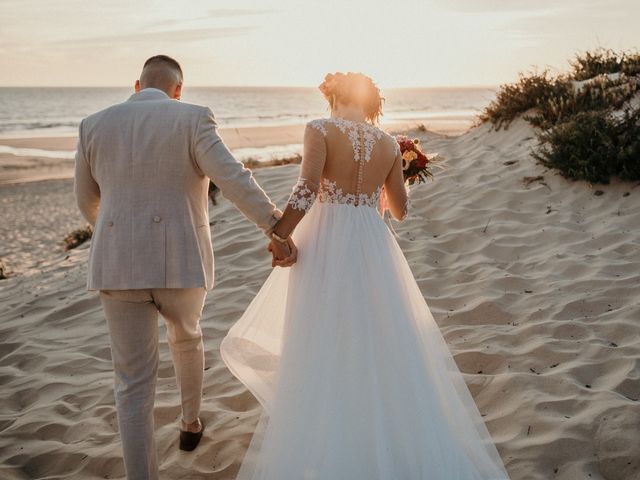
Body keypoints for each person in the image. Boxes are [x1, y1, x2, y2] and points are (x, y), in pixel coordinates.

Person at [221, 72, 511, 479]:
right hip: (373, 244)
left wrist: (279, 234)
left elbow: (305, 191)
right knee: (375, 335)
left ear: (334, 96)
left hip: (326, 239)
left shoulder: (319, 129)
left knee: (318, 334)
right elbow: (399, 209)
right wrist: (399, 173)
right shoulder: (390, 143)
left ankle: (326, 433)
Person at [73, 55, 296, 480]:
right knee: (187, 336)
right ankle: (191, 421)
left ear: (136, 85)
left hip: (117, 264)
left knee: (132, 384)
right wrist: (275, 225)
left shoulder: (93, 124)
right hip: (180, 260)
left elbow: (87, 201)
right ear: (179, 89)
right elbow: (232, 178)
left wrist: (119, 234)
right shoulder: (192, 118)